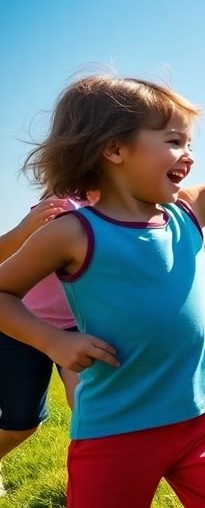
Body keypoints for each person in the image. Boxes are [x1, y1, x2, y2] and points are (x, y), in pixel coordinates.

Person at [0, 46, 205, 507]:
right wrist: (52, 341)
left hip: (203, 419)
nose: (187, 155)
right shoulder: (73, 232)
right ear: (114, 149)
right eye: (174, 141)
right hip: (116, 430)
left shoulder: (187, 212)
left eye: (189, 143)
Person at [0, 195, 91, 497]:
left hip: (79, 328)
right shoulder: (60, 208)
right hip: (22, 327)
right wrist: (23, 231)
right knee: (21, 424)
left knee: (89, 408)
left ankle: (91, 488)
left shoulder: (123, 208)